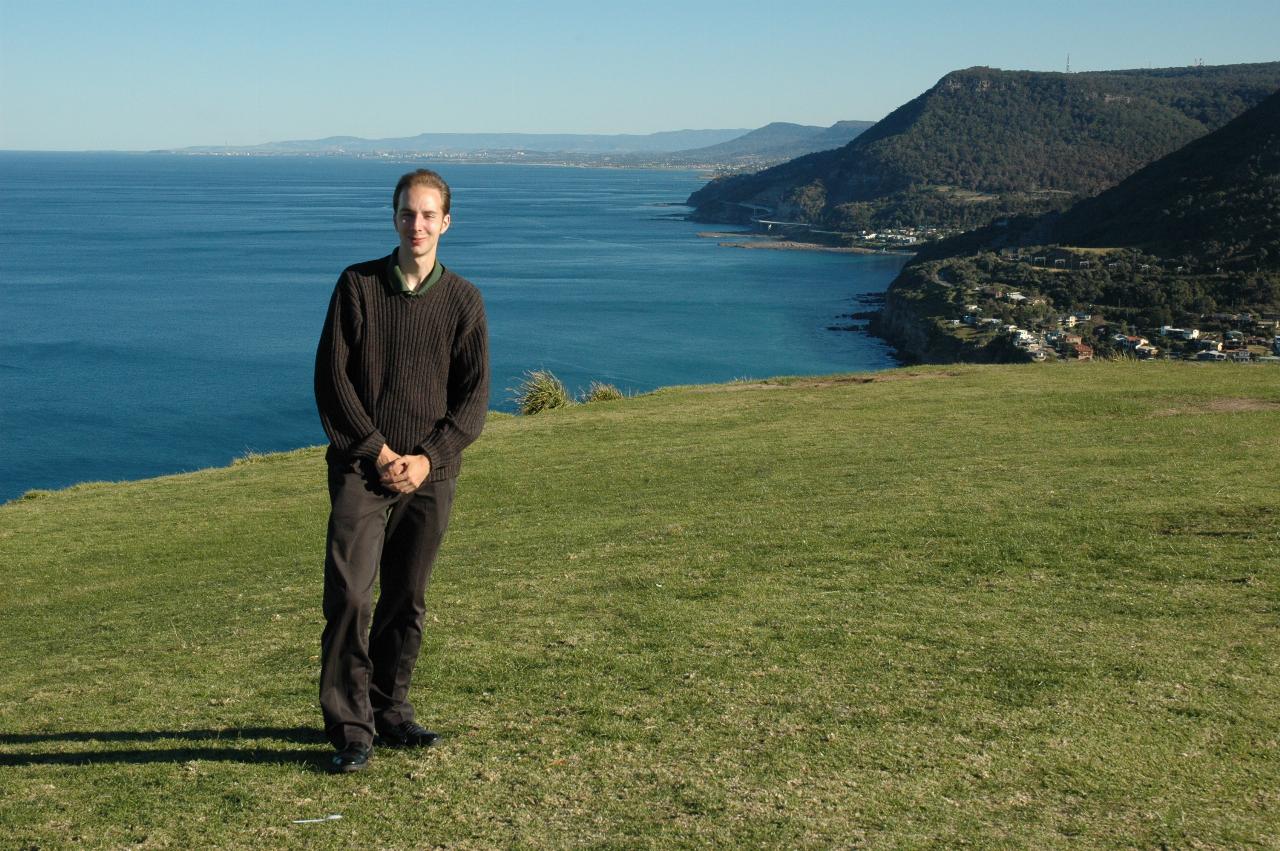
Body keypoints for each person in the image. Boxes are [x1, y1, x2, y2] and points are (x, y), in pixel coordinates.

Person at [313, 168, 489, 773]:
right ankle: (351, 727)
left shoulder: (464, 300)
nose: (417, 225)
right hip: (363, 472)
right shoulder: (357, 286)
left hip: (430, 477)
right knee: (351, 597)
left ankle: (391, 711)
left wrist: (427, 459)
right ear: (394, 217)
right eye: (407, 213)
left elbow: (472, 400)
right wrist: (380, 453)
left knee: (407, 599)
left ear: (446, 222)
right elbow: (333, 382)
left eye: (428, 215)